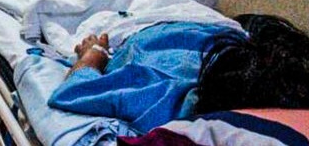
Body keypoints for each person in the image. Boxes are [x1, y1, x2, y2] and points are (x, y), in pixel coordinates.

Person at [56, 14, 309, 133]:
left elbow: (76, 90)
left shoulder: (169, 97)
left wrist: (93, 55)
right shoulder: (171, 90)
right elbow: (76, 91)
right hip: (165, 32)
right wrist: (95, 55)